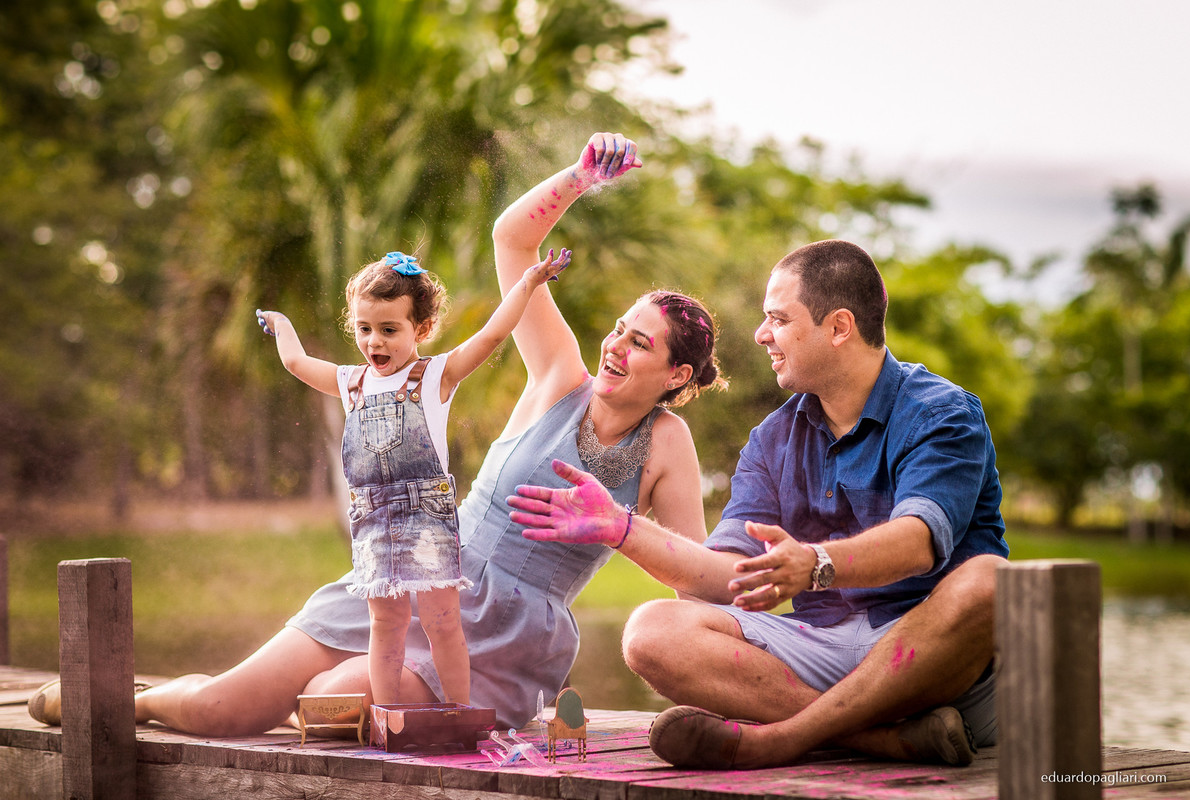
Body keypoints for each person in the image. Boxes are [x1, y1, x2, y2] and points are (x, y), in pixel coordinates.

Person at [27, 132, 726, 736]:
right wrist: (580, 177)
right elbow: (513, 240)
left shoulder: (667, 447)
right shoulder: (559, 378)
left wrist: (617, 530)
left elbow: (696, 584)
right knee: (223, 710)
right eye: (618, 330)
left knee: (327, 704)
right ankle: (138, 700)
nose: (615, 345)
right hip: (419, 563)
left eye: (640, 344)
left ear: (676, 374)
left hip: (504, 637)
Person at [509, 238, 1009, 769]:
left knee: (992, 582)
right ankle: (880, 740)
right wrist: (620, 527)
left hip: (927, 658)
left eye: (778, 318)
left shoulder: (941, 413)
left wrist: (815, 564)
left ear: (839, 327)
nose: (760, 334)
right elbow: (728, 576)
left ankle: (781, 740)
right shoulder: (773, 436)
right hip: (820, 650)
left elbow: (916, 543)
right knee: (653, 631)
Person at [253, 245, 570, 708]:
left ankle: (459, 715)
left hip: (427, 513)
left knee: (443, 622)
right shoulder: (351, 382)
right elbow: (297, 364)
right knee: (386, 624)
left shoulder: (435, 375)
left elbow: (492, 335)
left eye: (388, 330)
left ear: (420, 329)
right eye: (364, 330)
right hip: (375, 518)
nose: (374, 342)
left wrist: (528, 282)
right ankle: (388, 716)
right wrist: (282, 326)